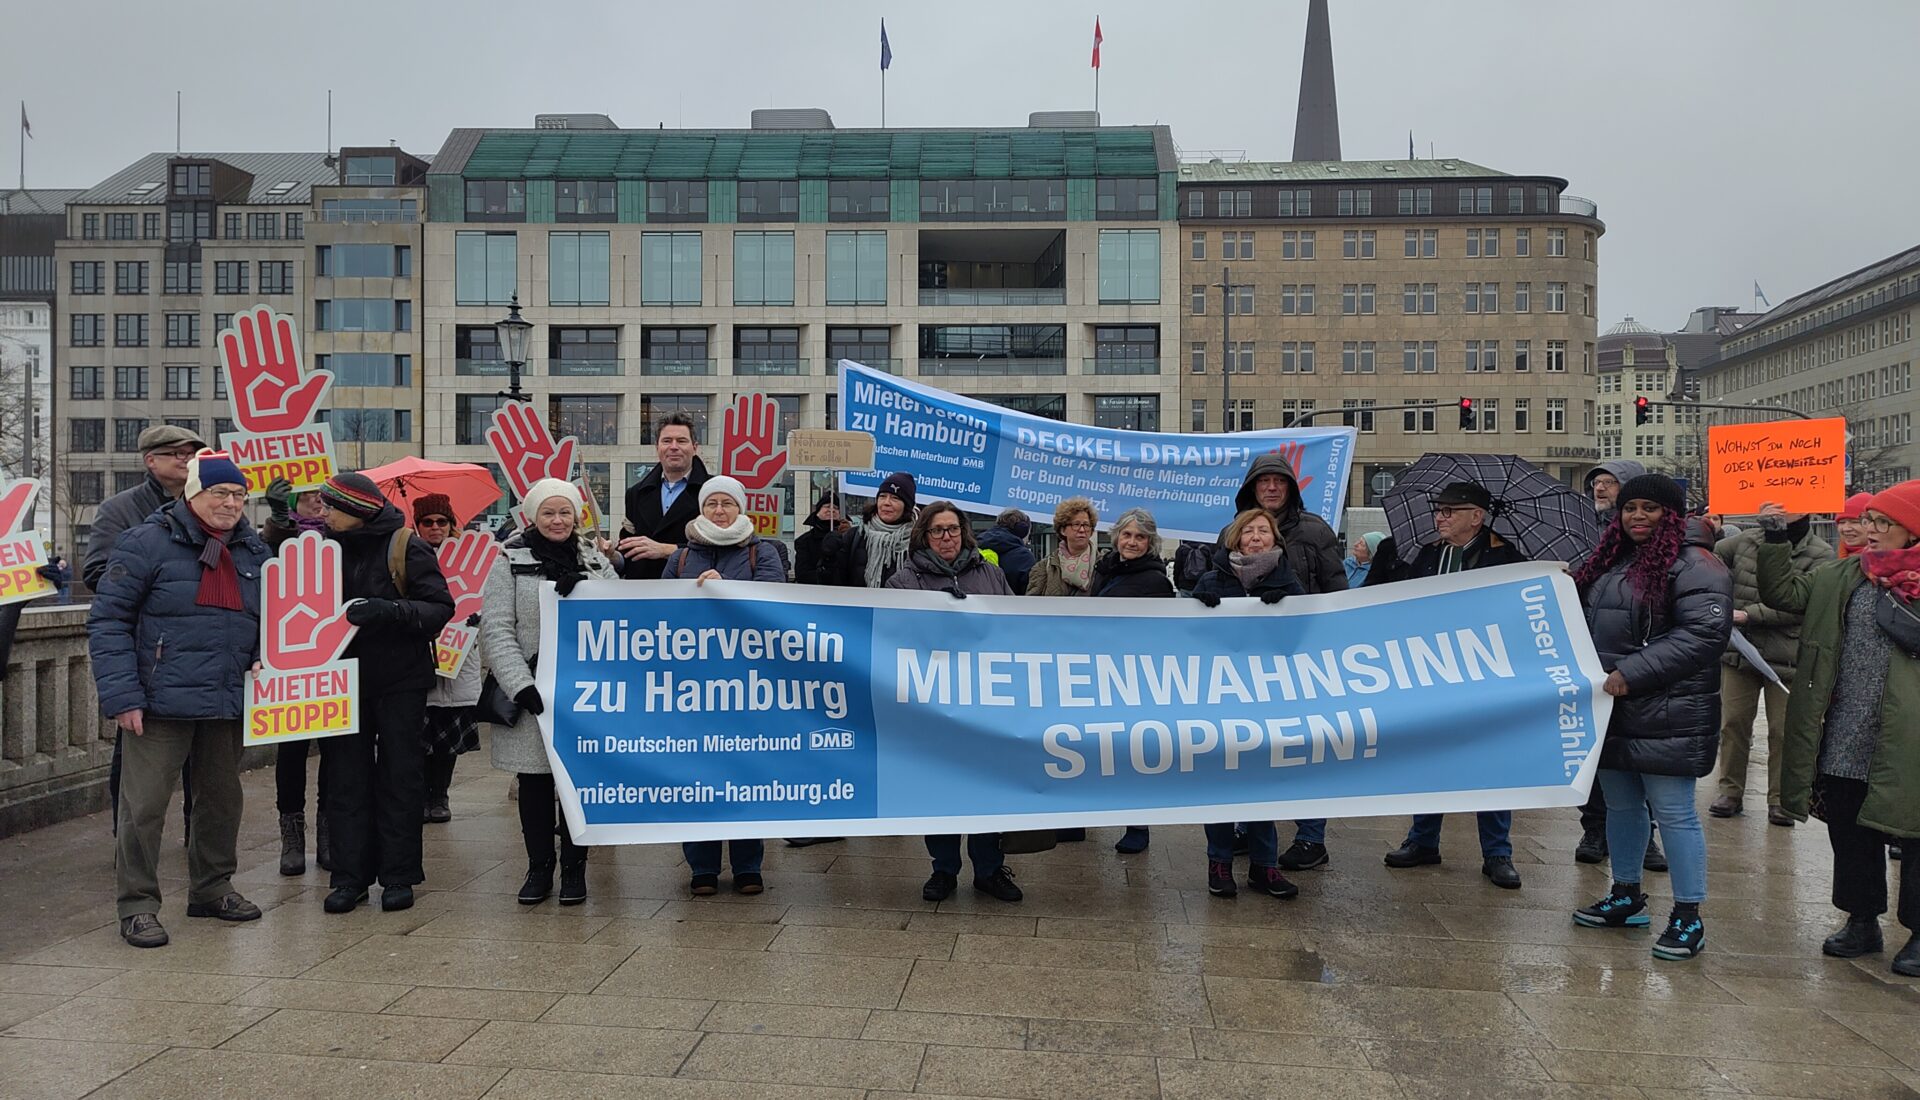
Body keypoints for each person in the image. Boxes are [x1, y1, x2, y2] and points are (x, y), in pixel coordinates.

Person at [87, 449, 269, 948]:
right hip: (157, 701)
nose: (230, 504)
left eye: (238, 495)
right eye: (219, 494)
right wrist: (123, 695)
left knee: (221, 801)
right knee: (143, 807)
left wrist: (262, 656)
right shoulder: (146, 542)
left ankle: (213, 888)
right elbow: (109, 622)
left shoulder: (253, 552)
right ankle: (138, 904)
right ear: (193, 494)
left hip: (226, 698)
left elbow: (273, 621)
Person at [1758, 485, 1920, 976]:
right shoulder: (1841, 574)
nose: (1867, 531)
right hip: (1846, 729)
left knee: (1915, 834)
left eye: (1881, 523)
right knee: (1850, 831)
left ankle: (1918, 933)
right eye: (1866, 520)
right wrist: (1774, 536)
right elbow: (1783, 593)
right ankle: (1861, 919)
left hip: (1908, 735)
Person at [1571, 474, 1731, 961]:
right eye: (1630, 507)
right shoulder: (1608, 562)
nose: (1638, 516)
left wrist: (1630, 674)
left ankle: (1688, 915)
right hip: (1614, 706)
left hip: (1669, 711)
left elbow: (1704, 634)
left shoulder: (1698, 564)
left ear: (1672, 514)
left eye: (1651, 508)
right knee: (1621, 806)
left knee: (1675, 813)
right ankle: (1626, 893)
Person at [313, 473, 454, 914]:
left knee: (400, 778)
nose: (323, 513)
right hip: (340, 683)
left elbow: (439, 607)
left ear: (355, 510)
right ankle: (348, 877)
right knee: (345, 779)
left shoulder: (405, 545)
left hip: (400, 680)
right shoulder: (322, 549)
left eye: (330, 506)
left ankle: (398, 876)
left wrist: (388, 611)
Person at [1380, 482, 1531, 890]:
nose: (1440, 517)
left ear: (1476, 517)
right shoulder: (1429, 555)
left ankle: (1497, 852)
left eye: (1450, 511)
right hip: (1433, 673)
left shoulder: (1506, 558)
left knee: (1491, 763)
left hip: (1486, 677)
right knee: (1431, 758)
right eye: (1438, 510)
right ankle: (1423, 839)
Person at [481, 479, 620, 906]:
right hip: (533, 691)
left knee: (579, 785)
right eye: (548, 513)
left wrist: (591, 587)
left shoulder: (595, 560)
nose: (558, 521)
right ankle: (539, 867)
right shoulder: (508, 561)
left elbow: (624, 617)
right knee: (536, 784)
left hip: (583, 694)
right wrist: (520, 685)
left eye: (565, 513)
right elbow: (497, 629)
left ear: (577, 516)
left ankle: (575, 869)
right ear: (532, 517)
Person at [886, 501, 1023, 903]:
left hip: (984, 702)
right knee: (940, 788)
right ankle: (943, 870)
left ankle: (989, 870)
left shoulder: (991, 575)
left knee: (986, 785)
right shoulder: (904, 582)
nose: (946, 537)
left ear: (964, 532)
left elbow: (1016, 628)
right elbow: (893, 638)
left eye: (952, 529)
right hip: (934, 705)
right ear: (923, 536)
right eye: (937, 531)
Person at [664, 476, 787, 895]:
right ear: (702, 509)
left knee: (745, 771)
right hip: (695, 688)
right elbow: (658, 612)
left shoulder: (762, 551)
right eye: (712, 503)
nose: (719, 510)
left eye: (727, 504)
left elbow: (776, 601)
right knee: (697, 774)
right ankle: (702, 867)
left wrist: (728, 590)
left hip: (748, 685)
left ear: (740, 508)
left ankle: (748, 864)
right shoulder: (681, 558)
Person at [1226, 454, 1348, 872]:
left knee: (1305, 747)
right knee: (1250, 743)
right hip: (1248, 661)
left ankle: (1311, 836)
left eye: (1280, 481)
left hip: (1302, 658)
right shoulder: (1233, 530)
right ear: (1253, 488)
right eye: (1265, 482)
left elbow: (1337, 589)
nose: (1272, 488)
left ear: (1291, 488)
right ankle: (1247, 825)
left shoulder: (1316, 530)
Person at [88, 424, 207, 839]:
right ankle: (130, 842)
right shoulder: (121, 509)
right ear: (150, 461)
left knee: (205, 757)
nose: (185, 459)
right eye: (175, 453)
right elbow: (98, 574)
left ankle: (199, 836)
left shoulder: (211, 503)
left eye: (191, 452)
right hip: (149, 652)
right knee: (135, 752)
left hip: (204, 648)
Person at [1191, 507, 1306, 901]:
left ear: (1275, 539)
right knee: (1219, 782)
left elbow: (1305, 640)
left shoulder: (1289, 582)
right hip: (1221, 699)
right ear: (1236, 538)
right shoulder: (1212, 579)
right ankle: (1219, 862)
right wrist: (1196, 608)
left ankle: (1264, 866)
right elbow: (1193, 644)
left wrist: (1288, 611)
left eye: (1264, 530)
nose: (1256, 536)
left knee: (1263, 784)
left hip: (1268, 700)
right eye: (1249, 531)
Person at [1709, 509, 1831, 825]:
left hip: (1788, 655)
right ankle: (1730, 791)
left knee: (1783, 730)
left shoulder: (1821, 552)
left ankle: (1780, 800)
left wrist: (1750, 614)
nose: (1779, 506)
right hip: (1740, 651)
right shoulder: (1741, 543)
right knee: (1733, 722)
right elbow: (1711, 572)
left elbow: (1807, 602)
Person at [1576, 461, 1658, 869]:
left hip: (1642, 667)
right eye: (1598, 483)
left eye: (1610, 483)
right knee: (1597, 753)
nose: (1601, 489)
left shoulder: (1660, 549)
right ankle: (1595, 828)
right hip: (1596, 660)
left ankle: (1646, 838)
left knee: (1643, 757)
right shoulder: (1582, 531)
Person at [263, 476, 346, 875]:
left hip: (335, 656)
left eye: (322, 495)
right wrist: (279, 520)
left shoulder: (343, 534)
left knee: (334, 753)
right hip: (289, 660)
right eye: (309, 495)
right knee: (291, 754)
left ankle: (329, 832)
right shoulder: (280, 533)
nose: (316, 501)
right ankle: (291, 836)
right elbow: (265, 558)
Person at [1087, 508, 1174, 854]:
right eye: (1127, 535)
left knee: (1133, 751)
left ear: (1150, 542)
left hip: (1133, 675)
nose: (1133, 542)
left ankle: (1138, 824)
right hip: (1100, 669)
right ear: (1117, 537)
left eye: (1140, 537)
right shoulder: (1105, 569)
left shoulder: (1155, 580)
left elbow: (1161, 635)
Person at [411, 493, 484, 825]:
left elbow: (485, 595)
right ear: (418, 525)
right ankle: (420, 795)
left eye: (442, 521)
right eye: (428, 522)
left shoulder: (470, 556)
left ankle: (439, 795)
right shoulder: (406, 555)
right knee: (419, 735)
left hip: (459, 654)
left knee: (447, 739)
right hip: (420, 654)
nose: (436, 527)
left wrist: (476, 618)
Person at [616, 412, 711, 580]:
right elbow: (628, 553)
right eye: (667, 441)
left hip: (692, 592)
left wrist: (666, 550)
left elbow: (723, 549)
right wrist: (611, 556)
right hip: (644, 593)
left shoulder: (714, 492)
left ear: (695, 448)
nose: (674, 447)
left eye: (681, 441)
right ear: (657, 447)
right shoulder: (635, 493)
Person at [819, 473, 917, 589]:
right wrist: (828, 559)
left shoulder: (917, 541)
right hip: (859, 606)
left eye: (895, 498)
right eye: (882, 496)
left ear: (907, 506)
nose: (886, 502)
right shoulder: (855, 536)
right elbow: (833, 585)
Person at [1028, 498, 1099, 598]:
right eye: (1076, 524)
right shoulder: (1044, 567)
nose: (1082, 530)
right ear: (1062, 530)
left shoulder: (1104, 564)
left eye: (1086, 525)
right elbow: (1031, 606)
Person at [978, 508, 1037, 596]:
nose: (1028, 539)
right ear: (1023, 530)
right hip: (1012, 608)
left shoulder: (976, 546)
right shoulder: (1024, 557)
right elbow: (1031, 594)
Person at [793, 492, 847, 585]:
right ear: (817, 512)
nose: (832, 510)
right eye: (827, 506)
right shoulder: (804, 541)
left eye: (836, 508)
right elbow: (802, 575)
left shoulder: (850, 537)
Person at [1835, 492, 1872, 559]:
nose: (1846, 528)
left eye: (1855, 522)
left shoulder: (1886, 560)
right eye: (1842, 522)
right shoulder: (1833, 557)